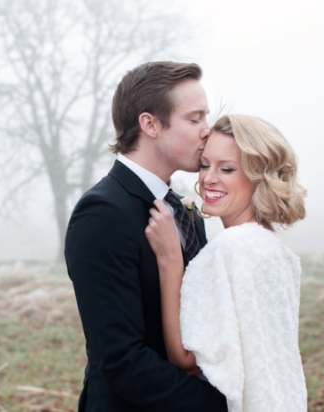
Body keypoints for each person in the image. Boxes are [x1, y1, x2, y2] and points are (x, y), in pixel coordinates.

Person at [65, 62, 228, 411]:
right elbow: (121, 360)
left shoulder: (184, 208)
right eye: (194, 118)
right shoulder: (102, 214)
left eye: (206, 117)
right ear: (150, 124)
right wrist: (220, 405)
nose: (207, 131)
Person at [145, 114, 308, 412]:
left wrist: (170, 261)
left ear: (260, 176)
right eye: (205, 164)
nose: (208, 178)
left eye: (228, 168)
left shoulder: (229, 249)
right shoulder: (279, 252)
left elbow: (186, 360)